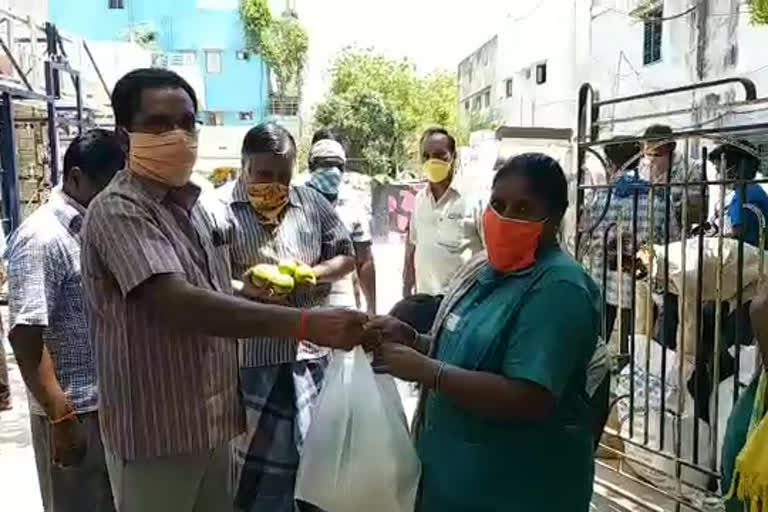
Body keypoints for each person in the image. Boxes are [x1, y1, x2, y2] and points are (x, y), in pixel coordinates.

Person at [80, 69, 365, 512]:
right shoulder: (121, 210)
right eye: (158, 124)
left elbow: (208, 290)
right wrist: (307, 323)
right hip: (156, 432)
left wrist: (245, 290)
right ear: (124, 137)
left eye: (186, 122)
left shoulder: (194, 208)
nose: (177, 135)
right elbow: (177, 302)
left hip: (212, 420)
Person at [366, 153, 601, 511]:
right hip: (455, 484)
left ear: (554, 218)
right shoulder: (488, 271)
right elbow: (469, 355)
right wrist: (414, 340)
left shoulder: (560, 287)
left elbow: (530, 396)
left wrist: (427, 371)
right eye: (498, 204)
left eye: (523, 208)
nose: (506, 218)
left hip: (516, 490)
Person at [217, 122, 356, 512]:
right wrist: (246, 290)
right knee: (252, 473)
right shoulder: (216, 210)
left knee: (308, 462)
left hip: (308, 357)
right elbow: (202, 281)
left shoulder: (311, 204)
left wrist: (316, 273)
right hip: (248, 361)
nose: (274, 184)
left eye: (283, 175)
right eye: (264, 174)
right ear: (243, 167)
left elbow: (346, 254)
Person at [5, 130, 124, 512]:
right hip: (74, 410)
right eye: (109, 186)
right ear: (75, 177)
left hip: (109, 404)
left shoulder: (93, 228)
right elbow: (26, 334)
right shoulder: (42, 238)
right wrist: (61, 416)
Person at [587, 137, 680, 359]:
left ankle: (592, 372)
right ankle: (629, 373)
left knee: (599, 336)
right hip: (642, 280)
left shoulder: (601, 197)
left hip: (605, 279)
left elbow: (591, 239)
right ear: (639, 160)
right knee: (636, 336)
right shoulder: (657, 199)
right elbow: (673, 241)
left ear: (609, 163)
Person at [403, 127, 485, 297]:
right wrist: (406, 289)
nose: (433, 161)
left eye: (440, 155)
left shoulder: (474, 199)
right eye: (426, 156)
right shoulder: (419, 200)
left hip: (463, 305)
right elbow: (412, 247)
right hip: (425, 303)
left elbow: (492, 254)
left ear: (454, 157)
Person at [306, 132, 377, 313]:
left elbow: (365, 260)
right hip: (303, 303)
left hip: (342, 303)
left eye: (336, 165)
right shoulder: (296, 199)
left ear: (343, 167)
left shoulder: (352, 203)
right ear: (311, 166)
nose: (331, 170)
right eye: (324, 164)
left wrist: (371, 309)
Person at [641, 124, 705, 232]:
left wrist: (665, 200)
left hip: (678, 234)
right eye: (648, 154)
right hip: (646, 230)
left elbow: (695, 211)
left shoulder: (690, 170)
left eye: (657, 155)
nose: (651, 160)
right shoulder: (642, 168)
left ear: (671, 148)